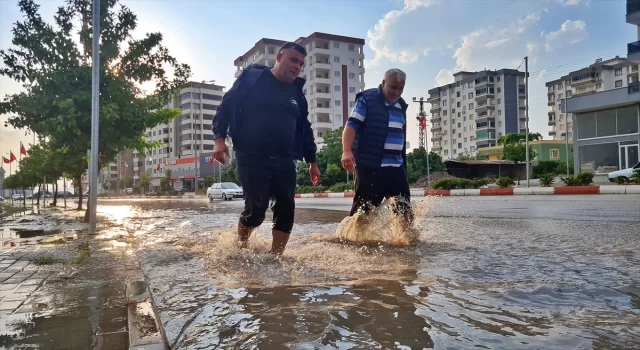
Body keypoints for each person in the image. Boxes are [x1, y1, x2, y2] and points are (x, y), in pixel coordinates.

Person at [212, 42, 320, 255]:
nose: (297, 66)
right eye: (293, 60)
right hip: (251, 157)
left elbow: (304, 129)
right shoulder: (253, 79)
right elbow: (226, 106)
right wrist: (219, 140)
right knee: (256, 212)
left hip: (285, 158)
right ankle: (241, 248)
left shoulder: (297, 94)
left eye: (301, 63)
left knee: (287, 207)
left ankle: (276, 258)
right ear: (279, 58)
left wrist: (312, 161)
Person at [340, 68, 414, 227]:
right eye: (393, 87)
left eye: (400, 88)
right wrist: (347, 151)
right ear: (383, 83)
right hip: (371, 167)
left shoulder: (401, 105)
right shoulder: (368, 99)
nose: (396, 92)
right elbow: (351, 126)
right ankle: (351, 242)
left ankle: (406, 244)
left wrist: (403, 164)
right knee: (362, 212)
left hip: (396, 167)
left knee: (404, 211)